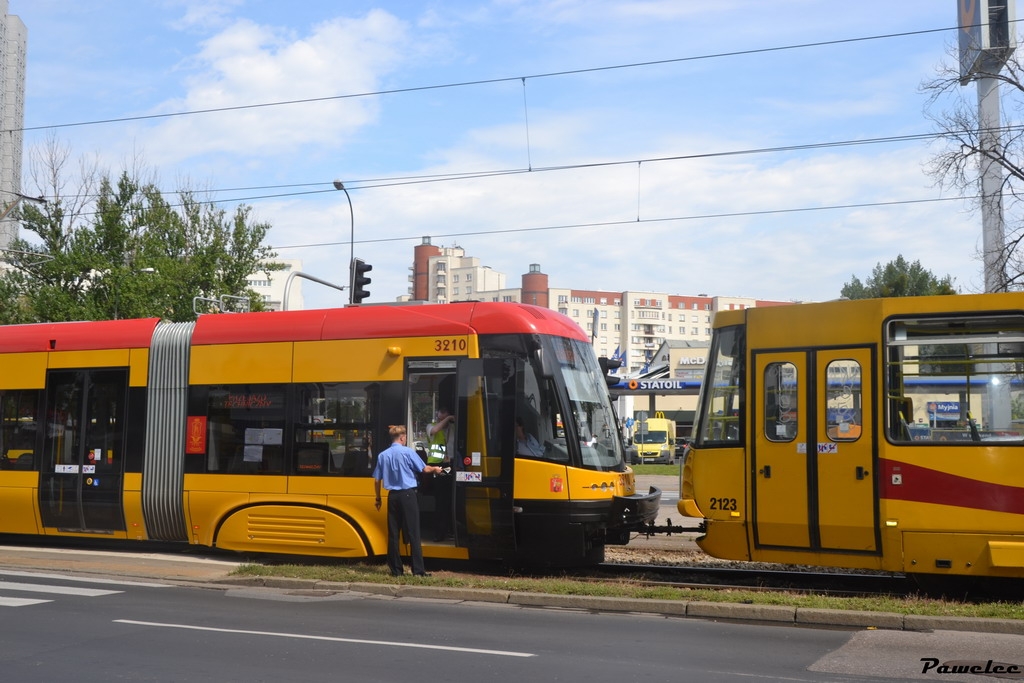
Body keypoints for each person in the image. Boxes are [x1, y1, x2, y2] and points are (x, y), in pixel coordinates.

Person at [373, 424, 443, 577]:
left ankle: (396, 570)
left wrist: (378, 498)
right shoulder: (408, 452)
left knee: (393, 534)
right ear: (403, 437)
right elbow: (424, 469)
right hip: (408, 495)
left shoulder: (383, 455)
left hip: (392, 496)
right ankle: (418, 570)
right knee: (413, 533)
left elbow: (377, 480)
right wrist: (436, 469)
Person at [427, 407, 456, 540]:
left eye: (446, 412)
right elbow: (435, 430)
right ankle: (439, 533)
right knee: (441, 501)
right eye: (441, 412)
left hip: (450, 465)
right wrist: (448, 418)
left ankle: (449, 530)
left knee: (449, 500)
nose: (442, 415)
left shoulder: (453, 429)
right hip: (437, 466)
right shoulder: (431, 426)